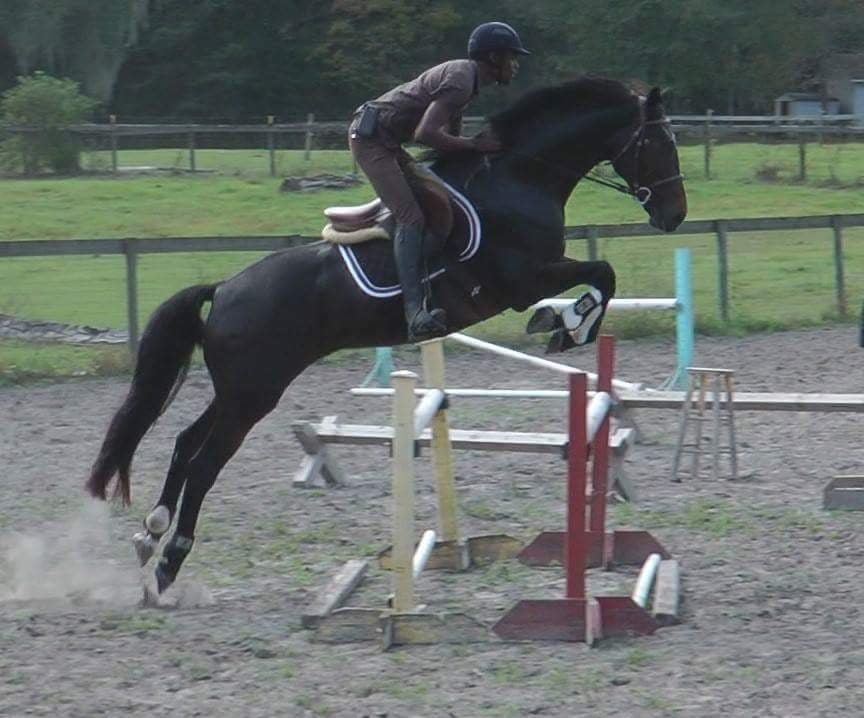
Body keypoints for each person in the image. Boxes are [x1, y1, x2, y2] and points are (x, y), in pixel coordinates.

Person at [348, 21, 530, 342]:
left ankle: (426, 279)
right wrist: (475, 146)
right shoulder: (461, 80)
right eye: (512, 57)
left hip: (388, 141)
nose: (516, 64)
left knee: (438, 199)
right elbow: (426, 134)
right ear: (493, 57)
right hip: (371, 141)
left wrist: (476, 152)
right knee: (412, 216)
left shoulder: (467, 81)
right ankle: (415, 312)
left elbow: (448, 138)